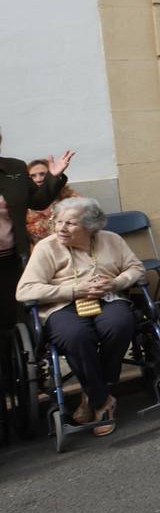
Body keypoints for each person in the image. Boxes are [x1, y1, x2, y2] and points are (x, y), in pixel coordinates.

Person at [17, 197, 143, 437]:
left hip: (108, 298)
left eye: (70, 223)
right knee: (75, 335)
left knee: (119, 324)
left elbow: (135, 268)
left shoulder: (111, 240)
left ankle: (91, 395)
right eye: (58, 222)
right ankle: (103, 401)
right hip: (62, 304)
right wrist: (74, 290)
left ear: (89, 226)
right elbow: (25, 290)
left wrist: (115, 282)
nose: (60, 228)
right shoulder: (48, 247)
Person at [0, 130, 74, 371]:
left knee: (17, 317)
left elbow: (38, 201)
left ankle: (23, 371)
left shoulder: (14, 168)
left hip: (13, 259)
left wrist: (53, 177)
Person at [25, 159, 77, 244]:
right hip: (40, 253)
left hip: (71, 248)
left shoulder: (71, 200)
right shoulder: (24, 206)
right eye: (33, 176)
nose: (38, 179)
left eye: (43, 174)